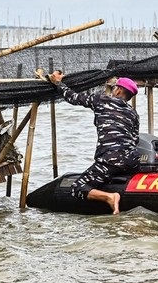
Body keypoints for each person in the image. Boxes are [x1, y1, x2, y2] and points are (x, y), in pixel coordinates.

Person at [49, 72, 140, 214]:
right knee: (114, 170)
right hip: (132, 161)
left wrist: (58, 83)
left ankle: (110, 196)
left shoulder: (101, 100)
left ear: (118, 90)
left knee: (78, 188)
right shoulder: (133, 113)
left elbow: (73, 98)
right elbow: (135, 140)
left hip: (110, 160)